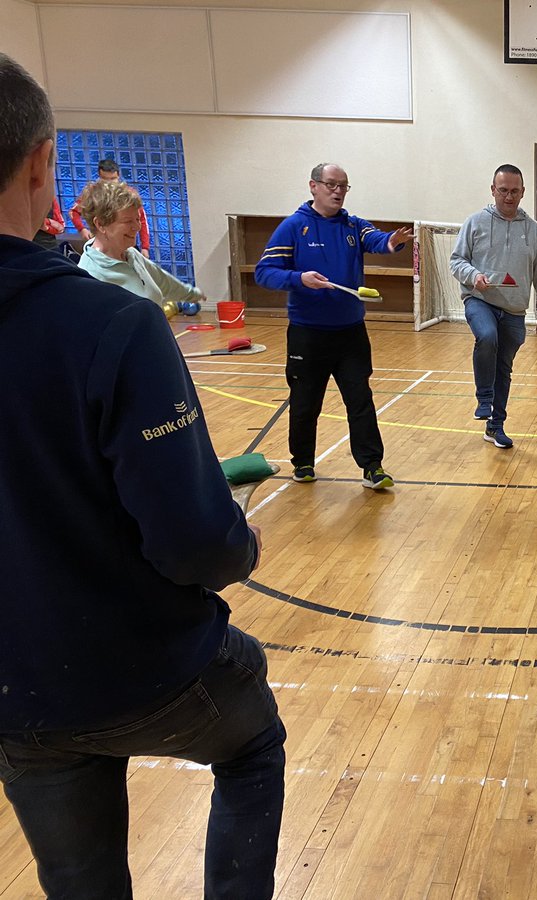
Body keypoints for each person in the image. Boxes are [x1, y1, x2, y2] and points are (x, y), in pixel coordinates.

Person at [0, 54, 285, 899]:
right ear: (43, 163)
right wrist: (241, 546)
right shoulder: (107, 324)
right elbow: (195, 542)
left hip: (14, 691)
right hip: (138, 666)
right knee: (252, 743)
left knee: (77, 879)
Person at [254, 163, 410, 489]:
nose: (337, 191)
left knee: (360, 401)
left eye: (343, 185)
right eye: (331, 184)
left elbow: (378, 240)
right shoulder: (294, 227)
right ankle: (303, 463)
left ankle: (372, 467)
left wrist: (393, 242)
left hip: (351, 334)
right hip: (307, 335)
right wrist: (299, 278)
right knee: (305, 403)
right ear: (313, 186)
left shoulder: (353, 225)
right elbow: (264, 272)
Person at [449, 164, 537, 450]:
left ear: (523, 192)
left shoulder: (532, 230)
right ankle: (484, 399)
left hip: (514, 311)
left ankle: (495, 427)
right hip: (480, 300)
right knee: (486, 336)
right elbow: (456, 261)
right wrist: (474, 276)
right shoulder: (475, 222)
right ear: (493, 190)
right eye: (503, 190)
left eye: (514, 191)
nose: (509, 197)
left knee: (504, 368)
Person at [76, 178, 204, 313]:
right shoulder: (91, 277)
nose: (137, 227)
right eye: (128, 221)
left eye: (137, 219)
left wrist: (192, 294)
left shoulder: (131, 254)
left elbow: (163, 281)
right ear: (100, 224)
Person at [70, 158, 151, 256]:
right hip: (101, 246)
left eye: (113, 179)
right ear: (100, 177)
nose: (109, 183)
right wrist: (82, 229)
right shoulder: (92, 193)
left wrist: (145, 247)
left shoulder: (128, 194)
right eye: (105, 179)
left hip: (126, 244)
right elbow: (73, 212)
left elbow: (141, 219)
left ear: (118, 176)